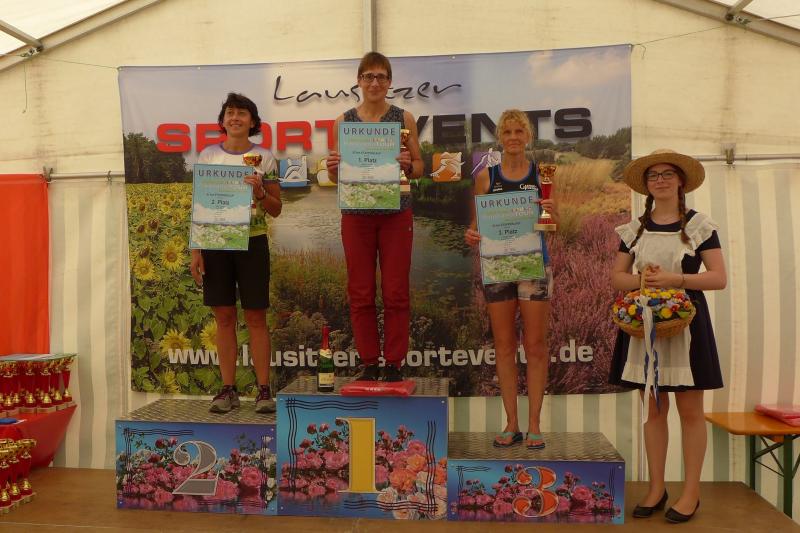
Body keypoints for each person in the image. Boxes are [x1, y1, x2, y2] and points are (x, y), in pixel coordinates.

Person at [609, 149, 727, 523]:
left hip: (687, 325)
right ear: (646, 185)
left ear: (680, 182)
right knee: (654, 409)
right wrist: (643, 280)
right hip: (646, 326)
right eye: (653, 176)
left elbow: (718, 277)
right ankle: (656, 487)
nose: (660, 180)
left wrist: (676, 279)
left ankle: (691, 492)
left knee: (690, 411)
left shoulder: (699, 226)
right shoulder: (634, 229)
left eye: (667, 174)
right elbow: (617, 278)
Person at [326, 52, 423, 382]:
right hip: (356, 216)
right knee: (360, 292)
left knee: (396, 291)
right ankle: (369, 362)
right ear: (358, 81)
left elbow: (420, 167)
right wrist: (333, 169)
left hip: (396, 214)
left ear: (390, 82)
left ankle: (393, 362)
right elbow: (337, 176)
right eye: (368, 76)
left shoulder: (404, 118)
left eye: (381, 76)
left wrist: (409, 164)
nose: (374, 82)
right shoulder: (342, 122)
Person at [464, 110, 557, 450]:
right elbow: (476, 227)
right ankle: (512, 423)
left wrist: (550, 213)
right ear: (500, 138)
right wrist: (471, 235)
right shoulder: (485, 178)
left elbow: (554, 222)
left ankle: (534, 425)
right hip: (499, 269)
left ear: (528, 136)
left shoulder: (541, 175)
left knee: (535, 346)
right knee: (503, 347)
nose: (514, 137)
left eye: (520, 131)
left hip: (534, 267)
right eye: (508, 132)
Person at [190, 92, 282, 413]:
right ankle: (227, 389)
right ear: (223, 120)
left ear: (252, 121)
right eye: (230, 112)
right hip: (215, 244)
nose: (235, 118)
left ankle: (264, 391)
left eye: (242, 113)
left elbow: (276, 209)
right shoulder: (208, 155)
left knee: (256, 317)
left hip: (253, 242)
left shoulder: (265, 158)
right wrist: (196, 250)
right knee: (224, 318)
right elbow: (199, 205)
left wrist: (260, 193)